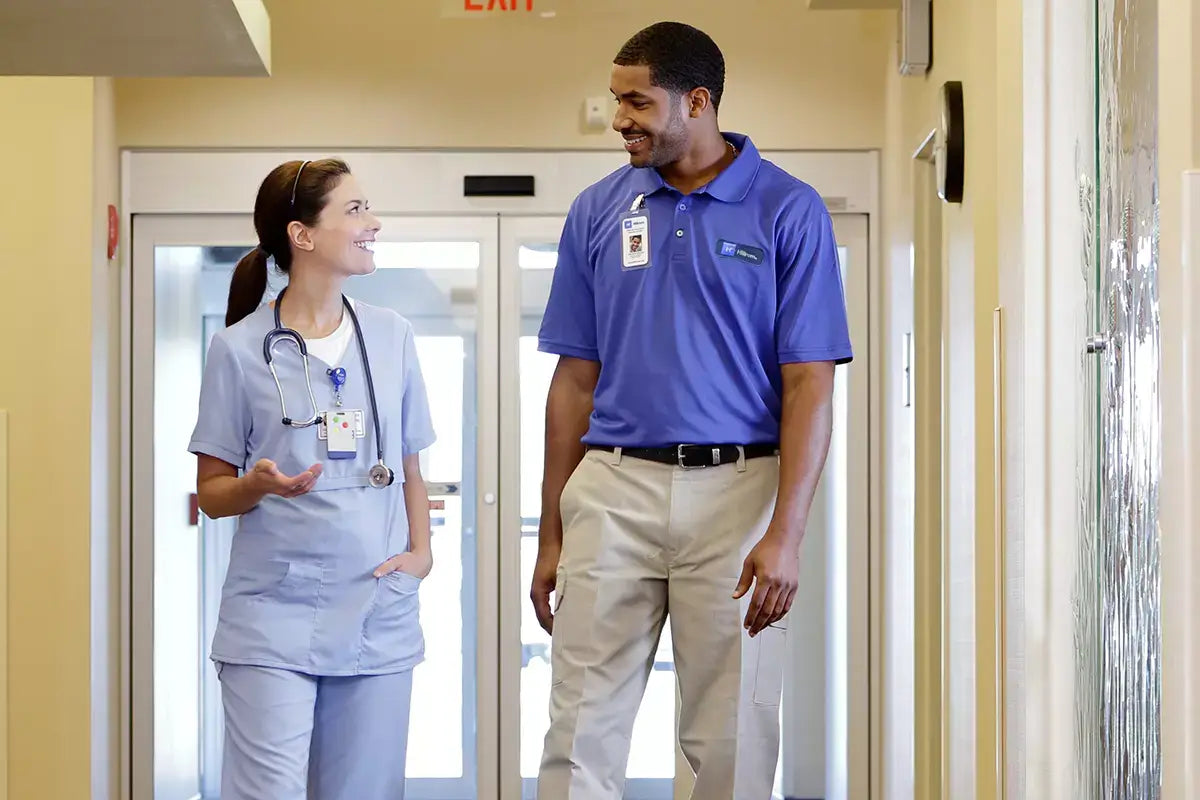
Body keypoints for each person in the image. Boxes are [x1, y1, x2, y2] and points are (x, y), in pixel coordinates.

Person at [530, 21, 853, 800]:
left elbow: (811, 381)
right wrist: (551, 532)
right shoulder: (597, 210)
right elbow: (575, 381)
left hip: (740, 492)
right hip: (612, 486)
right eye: (616, 100)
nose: (620, 119)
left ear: (697, 102)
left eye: (637, 101)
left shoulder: (788, 209)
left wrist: (787, 533)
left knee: (734, 737)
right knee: (578, 730)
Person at [188, 158, 437, 800]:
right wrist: (257, 486)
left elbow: (409, 462)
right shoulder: (238, 350)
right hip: (273, 614)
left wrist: (421, 555)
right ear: (302, 236)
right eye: (355, 211)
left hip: (377, 605)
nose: (373, 223)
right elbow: (212, 492)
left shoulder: (391, 335)